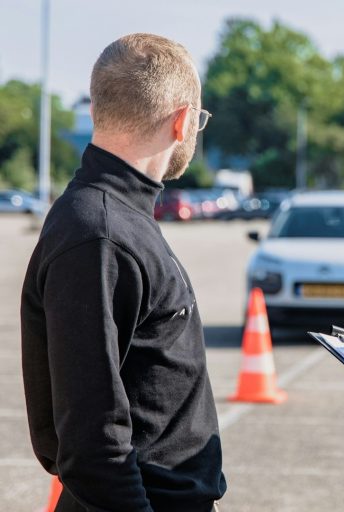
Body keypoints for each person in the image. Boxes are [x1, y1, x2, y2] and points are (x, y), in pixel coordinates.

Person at [21, 34, 226, 511]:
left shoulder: (117, 219)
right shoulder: (100, 234)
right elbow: (93, 446)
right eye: (199, 120)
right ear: (182, 122)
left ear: (96, 109)